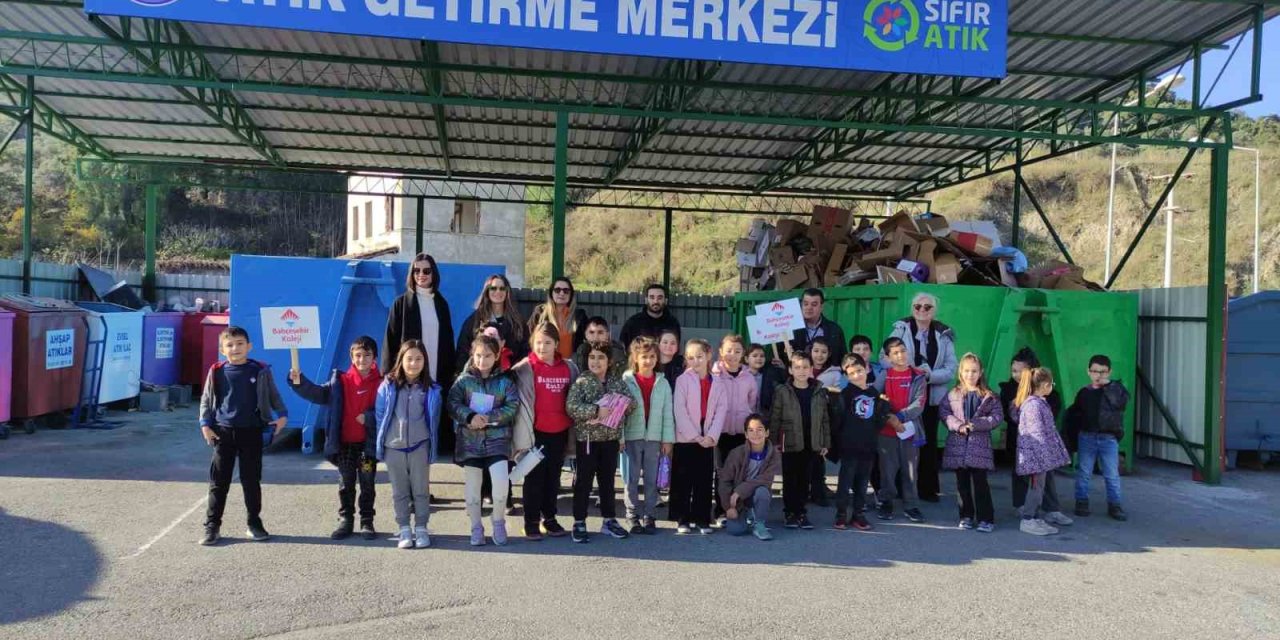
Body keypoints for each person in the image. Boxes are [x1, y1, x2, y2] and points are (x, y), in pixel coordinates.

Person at [198, 326, 288, 546]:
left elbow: (274, 395)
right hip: (223, 433)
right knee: (219, 482)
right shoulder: (217, 370)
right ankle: (212, 526)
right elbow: (206, 400)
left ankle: (254, 523)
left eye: (239, 344)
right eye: (229, 345)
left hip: (252, 432)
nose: (235, 348)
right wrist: (205, 425)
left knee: (251, 481)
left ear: (249, 346)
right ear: (222, 349)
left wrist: (282, 416)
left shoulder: (260, 370)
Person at [287, 336, 381, 541]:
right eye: (358, 355)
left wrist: (370, 418)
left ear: (375, 357)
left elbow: (387, 412)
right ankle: (346, 520)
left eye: (367, 355)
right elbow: (317, 394)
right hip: (345, 445)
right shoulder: (340, 382)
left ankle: (367, 521)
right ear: (351, 357)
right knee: (346, 484)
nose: (362, 359)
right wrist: (299, 381)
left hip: (368, 447)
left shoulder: (382, 384)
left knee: (367, 483)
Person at [882, 292, 957, 504]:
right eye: (918, 306)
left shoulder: (944, 334)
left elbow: (951, 368)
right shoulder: (900, 329)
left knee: (928, 443)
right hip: (904, 398)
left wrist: (929, 375)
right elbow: (884, 358)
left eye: (927, 307)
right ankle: (898, 488)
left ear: (934, 310)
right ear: (912, 308)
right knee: (900, 441)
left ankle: (927, 488)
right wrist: (905, 369)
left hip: (931, 398)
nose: (922, 310)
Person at [383, 253, 455, 466]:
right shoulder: (401, 304)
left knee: (430, 433)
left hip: (435, 380)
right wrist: (389, 373)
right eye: (416, 270)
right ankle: (413, 487)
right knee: (410, 433)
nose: (421, 275)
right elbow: (390, 340)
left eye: (426, 270)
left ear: (434, 274)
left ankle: (422, 484)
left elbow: (448, 341)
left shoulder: (441, 304)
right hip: (410, 380)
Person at [448, 334, 520, 547]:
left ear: (497, 355)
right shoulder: (463, 381)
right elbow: (452, 403)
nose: (482, 361)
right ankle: (476, 526)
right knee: (472, 489)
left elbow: (512, 406)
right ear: (472, 355)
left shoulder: (505, 381)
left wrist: (491, 418)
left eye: (488, 356)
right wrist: (469, 416)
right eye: (478, 356)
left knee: (500, 484)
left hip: (498, 441)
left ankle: (498, 521)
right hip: (470, 442)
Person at [511, 323, 580, 540]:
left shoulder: (569, 368)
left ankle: (549, 518)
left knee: (553, 478)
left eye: (548, 343)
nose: (542, 347)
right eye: (538, 342)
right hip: (534, 433)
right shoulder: (523, 368)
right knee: (534, 479)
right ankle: (531, 521)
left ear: (556, 344)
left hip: (559, 433)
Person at [374, 340, 442, 549]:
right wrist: (383, 442)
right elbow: (380, 415)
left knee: (421, 490)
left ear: (425, 361)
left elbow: (434, 420)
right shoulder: (388, 386)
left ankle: (421, 528)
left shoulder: (431, 389)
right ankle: (404, 528)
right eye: (409, 359)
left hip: (419, 446)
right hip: (393, 446)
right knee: (399, 491)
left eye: (418, 359)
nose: (413, 363)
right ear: (401, 360)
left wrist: (431, 445)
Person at [566, 342, 635, 543]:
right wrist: (595, 410)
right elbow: (571, 407)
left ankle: (609, 520)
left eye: (601, 357)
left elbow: (632, 404)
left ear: (609, 361)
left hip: (610, 441)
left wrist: (623, 405)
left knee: (607, 482)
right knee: (584, 483)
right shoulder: (581, 382)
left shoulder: (617, 382)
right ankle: (579, 521)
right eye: (592, 357)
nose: (596, 362)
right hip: (587, 441)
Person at [998, 348, 1069, 528]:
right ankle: (1024, 508)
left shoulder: (1046, 394)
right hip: (1020, 441)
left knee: (1046, 475)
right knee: (1023, 475)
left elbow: (1052, 413)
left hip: (1042, 443)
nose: (1016, 375)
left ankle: (1052, 509)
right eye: (1013, 370)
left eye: (1020, 371)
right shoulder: (1009, 391)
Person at [939, 353, 1004, 533]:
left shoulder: (989, 396)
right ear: (961, 372)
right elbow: (944, 413)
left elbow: (997, 417)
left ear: (981, 372)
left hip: (979, 447)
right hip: (958, 446)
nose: (970, 375)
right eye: (967, 371)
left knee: (981, 484)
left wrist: (977, 425)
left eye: (974, 371)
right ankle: (966, 516)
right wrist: (958, 426)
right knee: (962, 485)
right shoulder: (953, 394)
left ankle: (986, 519)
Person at [832, 354, 898, 531]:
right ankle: (841, 514)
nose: (856, 376)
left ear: (867, 369)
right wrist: (835, 445)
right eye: (851, 373)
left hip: (868, 447)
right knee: (845, 483)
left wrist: (884, 408)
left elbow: (878, 422)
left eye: (859, 371)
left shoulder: (874, 395)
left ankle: (858, 514)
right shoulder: (845, 395)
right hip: (849, 447)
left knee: (862, 484)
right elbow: (837, 422)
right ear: (846, 376)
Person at [671, 339, 728, 535]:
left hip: (707, 440)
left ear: (708, 355)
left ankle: (702, 519)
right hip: (687, 439)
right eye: (691, 357)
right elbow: (679, 410)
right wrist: (695, 435)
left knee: (704, 481)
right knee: (683, 480)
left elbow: (721, 410)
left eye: (699, 356)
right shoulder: (682, 380)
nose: (695, 361)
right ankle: (683, 519)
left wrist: (711, 436)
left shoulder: (718, 382)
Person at [770, 351, 831, 531]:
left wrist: (825, 442)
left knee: (805, 480)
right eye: (797, 367)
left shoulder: (819, 391)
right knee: (790, 479)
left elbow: (825, 419)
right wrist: (773, 441)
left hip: (811, 443)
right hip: (790, 442)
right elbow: (775, 417)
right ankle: (790, 512)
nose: (802, 371)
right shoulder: (782, 391)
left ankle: (801, 512)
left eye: (805, 367)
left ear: (811, 369)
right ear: (790, 369)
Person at [1066, 354, 1131, 521]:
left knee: (1111, 474)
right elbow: (1075, 413)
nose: (1099, 376)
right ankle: (1081, 502)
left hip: (1108, 438)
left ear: (1109, 372)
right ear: (1088, 372)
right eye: (1095, 371)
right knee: (1084, 472)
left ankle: (1115, 505)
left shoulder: (1116, 389)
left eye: (1102, 372)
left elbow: (1121, 402)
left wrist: (1109, 386)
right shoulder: (1084, 392)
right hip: (1086, 436)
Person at [621, 337, 675, 535]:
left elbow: (668, 414)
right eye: (644, 356)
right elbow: (619, 414)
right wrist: (620, 438)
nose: (649, 361)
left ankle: (650, 515)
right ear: (635, 358)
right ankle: (632, 514)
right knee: (631, 478)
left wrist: (667, 439)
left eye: (652, 356)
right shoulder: (626, 381)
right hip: (632, 437)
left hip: (654, 439)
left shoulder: (663, 383)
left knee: (652, 479)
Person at [1013, 367, 1072, 536]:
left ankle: (1035, 517)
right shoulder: (1033, 405)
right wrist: (1045, 457)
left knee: (1038, 488)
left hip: (1037, 458)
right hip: (1036, 459)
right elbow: (1037, 433)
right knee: (1036, 489)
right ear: (1045, 385)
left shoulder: (1036, 403)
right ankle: (1028, 519)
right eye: (1051, 383)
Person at [873, 337, 927, 523]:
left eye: (903, 350)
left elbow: (919, 403)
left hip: (910, 431)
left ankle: (911, 505)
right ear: (888, 357)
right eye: (895, 352)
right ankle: (886, 501)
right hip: (886, 433)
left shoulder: (918, 375)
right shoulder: (885, 375)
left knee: (910, 470)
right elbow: (875, 398)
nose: (901, 355)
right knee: (887, 470)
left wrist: (900, 418)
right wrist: (889, 418)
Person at [711, 334, 757, 524]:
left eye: (737, 351)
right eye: (728, 350)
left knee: (741, 471)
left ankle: (739, 508)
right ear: (721, 352)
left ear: (743, 354)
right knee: (721, 472)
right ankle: (721, 509)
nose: (732, 355)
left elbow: (752, 403)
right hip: (719, 432)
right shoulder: (714, 376)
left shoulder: (749, 378)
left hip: (740, 433)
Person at [718, 414, 781, 541]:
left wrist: (739, 491)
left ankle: (759, 524)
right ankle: (746, 515)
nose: (755, 434)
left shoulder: (774, 454)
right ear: (746, 434)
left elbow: (765, 479)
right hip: (737, 501)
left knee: (763, 491)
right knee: (736, 531)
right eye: (751, 430)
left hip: (754, 494)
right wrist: (729, 507)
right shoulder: (736, 453)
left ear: (767, 432)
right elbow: (724, 481)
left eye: (759, 429)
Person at [456, 273, 527, 371]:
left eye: (502, 288)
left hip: (510, 378)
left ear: (507, 292)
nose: (498, 292)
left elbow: (525, 351)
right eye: (493, 288)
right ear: (487, 291)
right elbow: (462, 351)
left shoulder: (518, 322)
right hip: (479, 378)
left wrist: (514, 372)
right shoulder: (474, 321)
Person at [527, 277, 589, 361]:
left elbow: (589, 338)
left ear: (571, 295)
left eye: (566, 291)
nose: (562, 293)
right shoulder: (540, 312)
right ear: (551, 293)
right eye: (557, 290)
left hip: (569, 367)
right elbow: (528, 337)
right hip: (544, 365)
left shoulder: (579, 316)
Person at [788, 288, 847, 369]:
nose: (809, 308)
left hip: (827, 376)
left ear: (821, 307)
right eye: (805, 304)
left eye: (814, 304)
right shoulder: (791, 328)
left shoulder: (834, 329)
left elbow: (843, 358)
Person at [619, 283, 682, 349]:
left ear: (665, 301)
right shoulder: (633, 322)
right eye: (652, 297)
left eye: (660, 298)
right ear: (646, 300)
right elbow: (622, 346)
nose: (656, 301)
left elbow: (675, 348)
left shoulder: (673, 323)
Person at [746, 343, 787, 416]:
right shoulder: (741, 377)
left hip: (763, 417)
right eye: (755, 356)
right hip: (744, 416)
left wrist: (782, 369)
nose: (759, 358)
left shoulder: (767, 376)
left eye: (762, 356)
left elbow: (784, 382)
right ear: (746, 359)